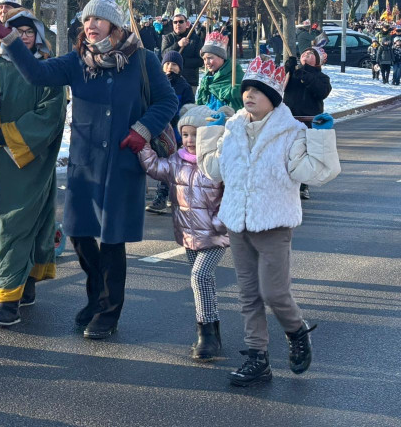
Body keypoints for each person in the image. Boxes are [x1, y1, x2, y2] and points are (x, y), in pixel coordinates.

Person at [0, 0, 178, 339]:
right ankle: (95, 297)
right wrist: (9, 40)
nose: (91, 24)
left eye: (99, 19)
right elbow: (38, 74)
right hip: (84, 165)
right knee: (80, 234)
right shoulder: (77, 61)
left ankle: (108, 311)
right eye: (88, 18)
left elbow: (168, 103)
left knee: (112, 240)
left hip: (121, 163)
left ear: (115, 26)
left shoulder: (143, 60)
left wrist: (143, 129)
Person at [197, 56, 341, 386]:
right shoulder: (232, 130)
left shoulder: (290, 133)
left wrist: (320, 137)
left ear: (273, 98)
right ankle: (257, 358)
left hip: (274, 225)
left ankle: (296, 332)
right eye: (247, 89)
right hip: (238, 224)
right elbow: (213, 170)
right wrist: (212, 129)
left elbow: (317, 173)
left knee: (274, 292)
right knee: (248, 293)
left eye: (258, 91)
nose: (249, 95)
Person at [0, 8, 67, 327]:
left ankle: (8, 300)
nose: (23, 36)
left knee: (18, 223)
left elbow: (52, 113)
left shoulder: (47, 71)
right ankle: (25, 282)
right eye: (16, 31)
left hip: (31, 160)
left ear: (37, 36)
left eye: (28, 31)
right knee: (9, 221)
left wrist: (9, 134)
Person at [138, 103, 231, 361]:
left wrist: (220, 221)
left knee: (200, 276)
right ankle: (212, 330)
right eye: (186, 134)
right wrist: (142, 145)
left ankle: (207, 337)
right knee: (204, 283)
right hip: (188, 235)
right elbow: (156, 168)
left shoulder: (217, 163)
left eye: (196, 134)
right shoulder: (177, 161)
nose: (190, 140)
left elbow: (232, 195)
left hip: (215, 234)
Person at [146, 51, 195, 214]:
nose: (170, 67)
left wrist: (180, 120)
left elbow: (189, 108)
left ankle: (162, 195)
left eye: (174, 65)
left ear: (180, 68)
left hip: (174, 132)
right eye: (167, 64)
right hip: (156, 130)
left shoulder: (184, 86)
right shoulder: (155, 83)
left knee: (170, 164)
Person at [282, 47, 333, 200]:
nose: (306, 54)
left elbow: (322, 92)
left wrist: (305, 75)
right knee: (286, 153)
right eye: (304, 53)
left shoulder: (322, 77)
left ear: (318, 61)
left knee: (303, 155)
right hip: (289, 119)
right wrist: (288, 69)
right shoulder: (294, 74)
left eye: (311, 54)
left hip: (308, 120)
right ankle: (286, 184)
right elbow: (281, 87)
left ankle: (303, 186)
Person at [195, 32, 244, 111]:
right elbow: (201, 102)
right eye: (204, 59)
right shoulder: (207, 78)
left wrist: (235, 92)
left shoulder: (235, 74)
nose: (206, 63)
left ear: (221, 57)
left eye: (210, 58)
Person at [161, 9, 204, 92]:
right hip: (170, 80)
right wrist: (178, 44)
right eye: (175, 22)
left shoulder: (195, 39)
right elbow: (164, 55)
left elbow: (200, 61)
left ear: (186, 23)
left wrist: (182, 61)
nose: (178, 24)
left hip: (189, 81)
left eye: (181, 22)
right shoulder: (168, 38)